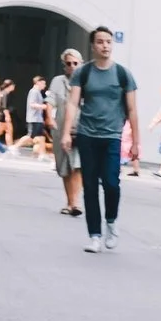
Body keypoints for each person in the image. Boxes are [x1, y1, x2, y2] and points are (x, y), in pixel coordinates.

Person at [61, 27, 136, 253]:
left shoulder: (123, 74)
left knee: (112, 184)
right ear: (93, 46)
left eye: (108, 42)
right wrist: (66, 133)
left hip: (112, 136)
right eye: (100, 42)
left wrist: (136, 142)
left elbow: (132, 109)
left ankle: (111, 221)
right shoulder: (83, 73)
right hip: (87, 135)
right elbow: (73, 103)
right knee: (90, 187)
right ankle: (94, 235)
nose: (105, 45)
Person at [47, 49, 83, 214]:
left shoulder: (86, 81)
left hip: (81, 129)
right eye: (69, 63)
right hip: (61, 129)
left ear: (81, 64)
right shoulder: (58, 81)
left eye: (75, 63)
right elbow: (50, 101)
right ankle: (70, 202)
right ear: (64, 66)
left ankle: (75, 203)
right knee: (64, 167)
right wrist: (49, 117)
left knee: (77, 165)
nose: (72, 66)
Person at [25, 77, 49, 157]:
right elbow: (32, 104)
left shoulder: (38, 92)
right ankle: (15, 146)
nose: (45, 85)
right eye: (43, 83)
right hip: (33, 118)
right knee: (30, 137)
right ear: (38, 82)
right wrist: (44, 106)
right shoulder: (34, 92)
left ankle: (42, 154)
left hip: (38, 118)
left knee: (41, 137)